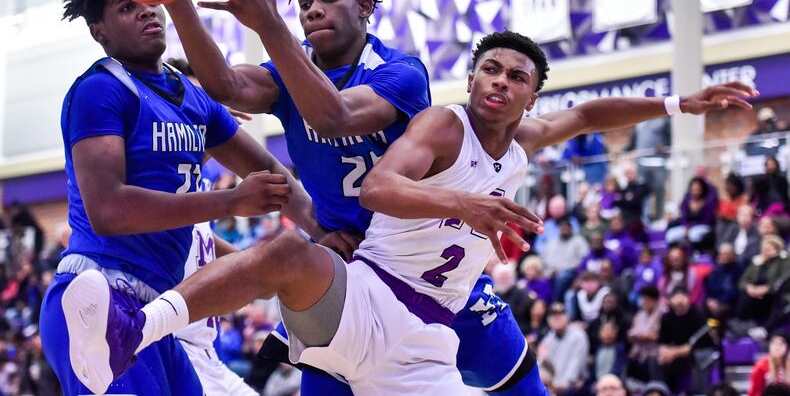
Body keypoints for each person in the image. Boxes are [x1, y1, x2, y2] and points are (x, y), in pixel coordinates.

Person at [63, 25, 756, 393]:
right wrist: (467, 204)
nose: (500, 81)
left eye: (516, 77)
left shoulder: (531, 137)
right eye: (491, 68)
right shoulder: (443, 123)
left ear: (529, 98)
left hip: (426, 340)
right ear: (472, 78)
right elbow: (377, 191)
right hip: (370, 294)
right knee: (285, 253)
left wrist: (677, 102)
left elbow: (590, 111)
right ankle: (136, 328)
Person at [165, 0, 547, 394]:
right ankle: (144, 326)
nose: (313, 10)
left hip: (425, 275)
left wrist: (270, 27)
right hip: (346, 279)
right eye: (304, 2)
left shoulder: (400, 72)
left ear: (365, 7)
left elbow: (335, 115)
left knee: (526, 388)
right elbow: (227, 87)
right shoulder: (285, 73)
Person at [39, 0, 324, 395]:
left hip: (155, 316)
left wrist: (326, 233)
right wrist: (228, 202)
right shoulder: (100, 90)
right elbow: (108, 210)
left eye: (147, 0)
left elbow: (270, 174)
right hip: (96, 304)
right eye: (125, 7)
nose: (145, 10)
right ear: (100, 32)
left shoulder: (191, 96)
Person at [539, 302, 590, 395]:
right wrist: (544, 360)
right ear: (548, 320)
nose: (557, 319)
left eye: (560, 315)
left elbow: (576, 364)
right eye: (553, 316)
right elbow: (543, 370)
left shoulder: (578, 336)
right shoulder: (546, 341)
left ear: (567, 317)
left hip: (574, 388)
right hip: (553, 389)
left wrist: (564, 383)